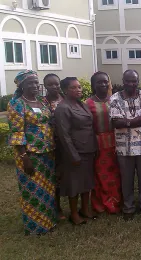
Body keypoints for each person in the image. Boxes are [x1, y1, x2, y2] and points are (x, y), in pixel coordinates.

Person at [7, 70, 57, 235]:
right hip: (30, 154)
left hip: (48, 152)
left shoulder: (43, 102)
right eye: (30, 83)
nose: (35, 86)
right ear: (21, 86)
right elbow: (17, 132)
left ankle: (49, 221)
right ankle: (36, 226)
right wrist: (24, 157)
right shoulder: (17, 104)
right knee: (33, 189)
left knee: (48, 187)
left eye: (36, 83)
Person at [109, 70, 141, 220]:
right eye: (128, 81)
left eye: (134, 81)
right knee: (126, 179)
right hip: (124, 147)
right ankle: (128, 208)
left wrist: (126, 122)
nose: (131, 84)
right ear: (123, 81)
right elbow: (116, 122)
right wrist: (137, 121)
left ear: (138, 81)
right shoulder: (115, 98)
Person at [55, 77, 98, 225]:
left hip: (88, 149)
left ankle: (85, 209)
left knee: (87, 182)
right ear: (65, 90)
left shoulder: (82, 104)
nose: (78, 89)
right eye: (74, 87)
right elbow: (63, 134)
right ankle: (73, 214)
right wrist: (73, 154)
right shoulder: (63, 108)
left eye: (79, 87)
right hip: (75, 152)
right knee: (74, 184)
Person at [86, 71, 122, 214]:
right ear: (93, 85)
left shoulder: (115, 100)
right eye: (99, 82)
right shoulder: (88, 104)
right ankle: (101, 204)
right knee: (101, 175)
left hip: (117, 140)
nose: (103, 84)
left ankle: (117, 201)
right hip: (98, 143)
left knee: (117, 174)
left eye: (105, 81)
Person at [43, 73, 65, 220]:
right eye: (50, 84)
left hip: (66, 145)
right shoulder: (41, 102)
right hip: (48, 145)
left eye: (56, 83)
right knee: (52, 178)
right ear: (45, 86)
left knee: (65, 176)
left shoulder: (65, 100)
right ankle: (56, 207)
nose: (54, 87)